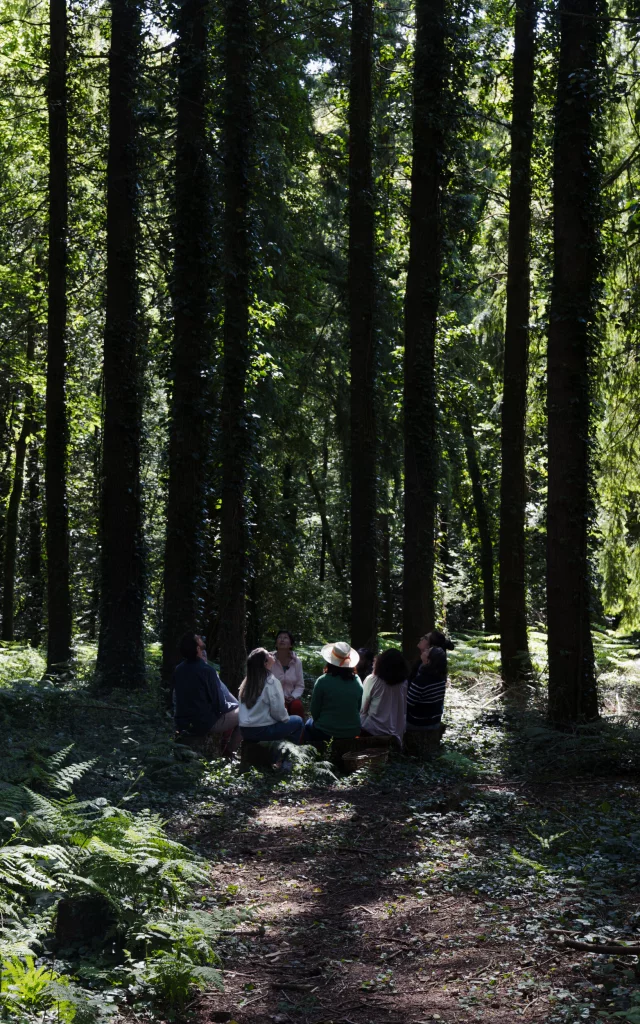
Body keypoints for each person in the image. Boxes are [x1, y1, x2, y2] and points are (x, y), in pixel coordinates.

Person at [173, 633, 241, 756]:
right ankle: (229, 752)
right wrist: (236, 706)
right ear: (198, 649)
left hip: (182, 723)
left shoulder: (179, 669)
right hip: (203, 724)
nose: (201, 638)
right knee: (246, 712)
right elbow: (221, 705)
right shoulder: (207, 671)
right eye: (198, 639)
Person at [239, 647, 305, 743]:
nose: (271, 654)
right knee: (298, 721)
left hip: (244, 730)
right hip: (262, 730)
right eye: (268, 654)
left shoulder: (246, 683)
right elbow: (279, 713)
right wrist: (285, 719)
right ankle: (288, 755)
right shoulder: (271, 682)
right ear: (265, 663)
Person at [305, 642, 363, 747]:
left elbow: (314, 711)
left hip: (325, 732)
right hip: (352, 731)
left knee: (308, 724)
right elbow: (358, 707)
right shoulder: (357, 680)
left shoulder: (322, 681)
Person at [359, 648, 408, 746]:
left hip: (372, 729)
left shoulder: (373, 680)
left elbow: (363, 708)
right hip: (396, 731)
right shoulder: (404, 683)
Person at [406, 645, 448, 732]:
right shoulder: (441, 678)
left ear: (428, 660)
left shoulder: (420, 681)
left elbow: (407, 705)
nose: (425, 650)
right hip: (435, 722)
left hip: (418, 723)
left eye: (427, 651)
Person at [270, 630, 305, 719]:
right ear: (276, 644)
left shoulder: (297, 662)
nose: (282, 639)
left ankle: (300, 731)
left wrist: (293, 696)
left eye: (285, 638)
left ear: (290, 645)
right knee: (281, 707)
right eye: (279, 637)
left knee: (297, 706)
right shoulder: (269, 660)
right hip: (273, 698)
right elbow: (265, 682)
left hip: (291, 697)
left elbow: (300, 685)